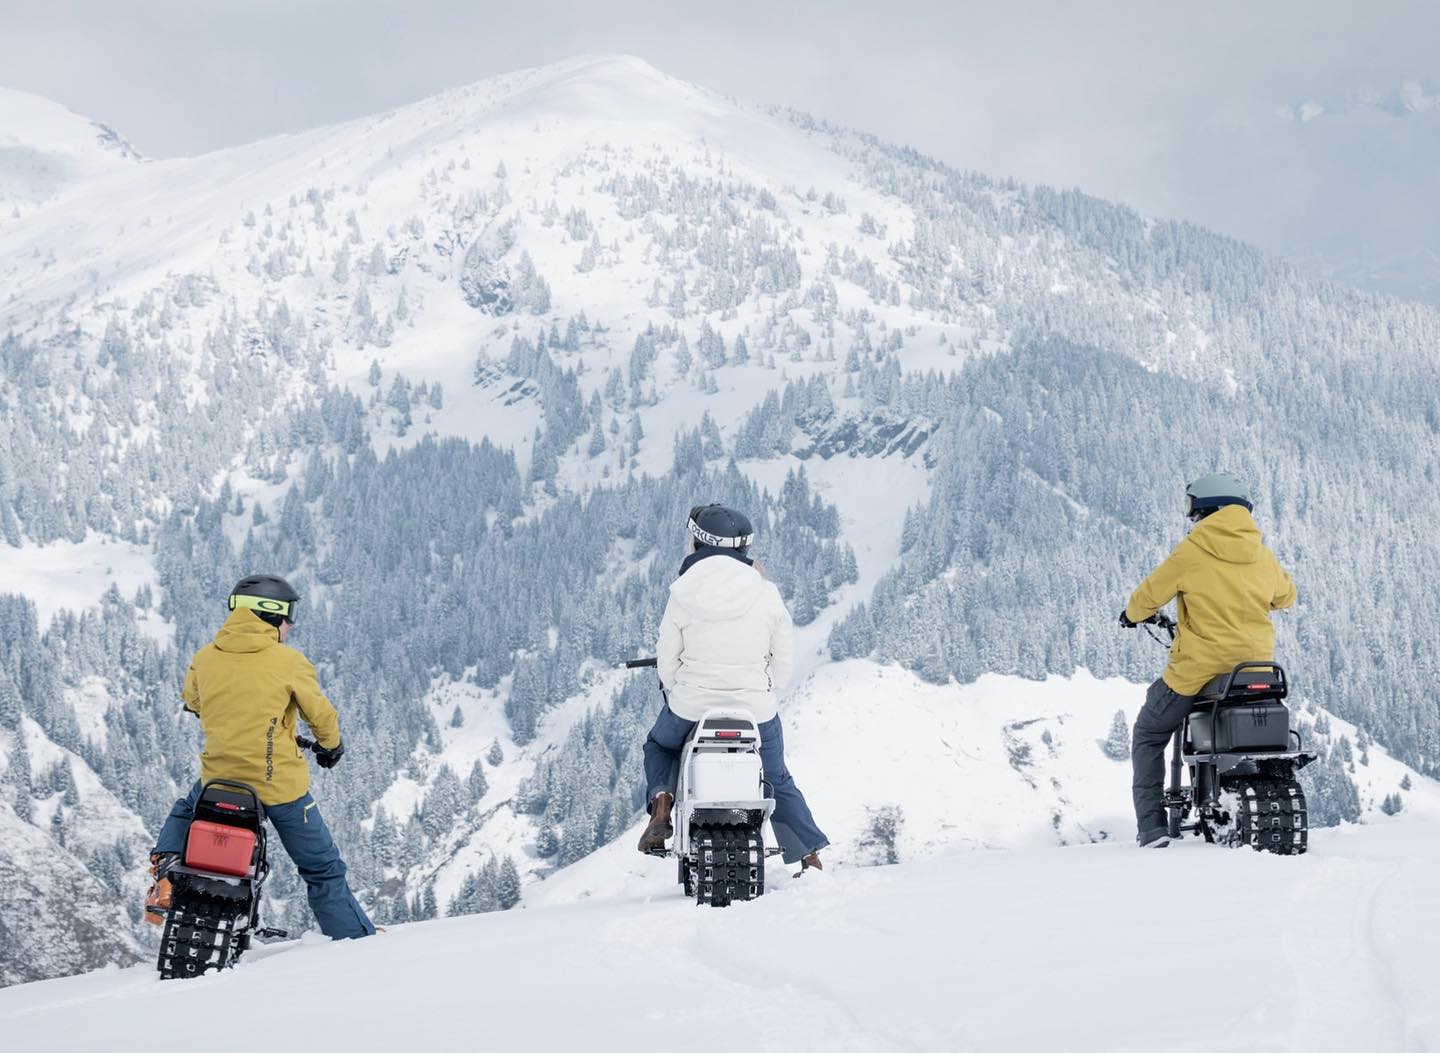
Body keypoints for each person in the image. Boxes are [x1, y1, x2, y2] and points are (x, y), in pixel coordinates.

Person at [145, 575, 375, 939]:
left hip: (217, 781)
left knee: (183, 809)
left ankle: (167, 866)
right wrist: (331, 747)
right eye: (289, 616)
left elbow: (192, 702)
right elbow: (322, 716)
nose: (292, 625)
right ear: (270, 615)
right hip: (278, 787)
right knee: (322, 868)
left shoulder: (205, 658)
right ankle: (356, 941)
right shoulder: (288, 662)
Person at [637, 503, 829, 871]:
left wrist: (684, 688)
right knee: (774, 776)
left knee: (659, 745)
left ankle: (662, 803)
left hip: (692, 703)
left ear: (698, 542)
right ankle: (809, 855)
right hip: (754, 709)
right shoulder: (766, 592)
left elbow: (667, 659)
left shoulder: (682, 593)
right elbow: (784, 659)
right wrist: (765, 688)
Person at [1120, 474, 1296, 848]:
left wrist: (1131, 615)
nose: (1190, 518)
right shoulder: (1261, 554)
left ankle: (1151, 827)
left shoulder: (1193, 550)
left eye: (1192, 509)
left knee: (1149, 732)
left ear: (1207, 509)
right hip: (1255, 671)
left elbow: (1147, 597)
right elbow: (1286, 596)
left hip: (1200, 669)